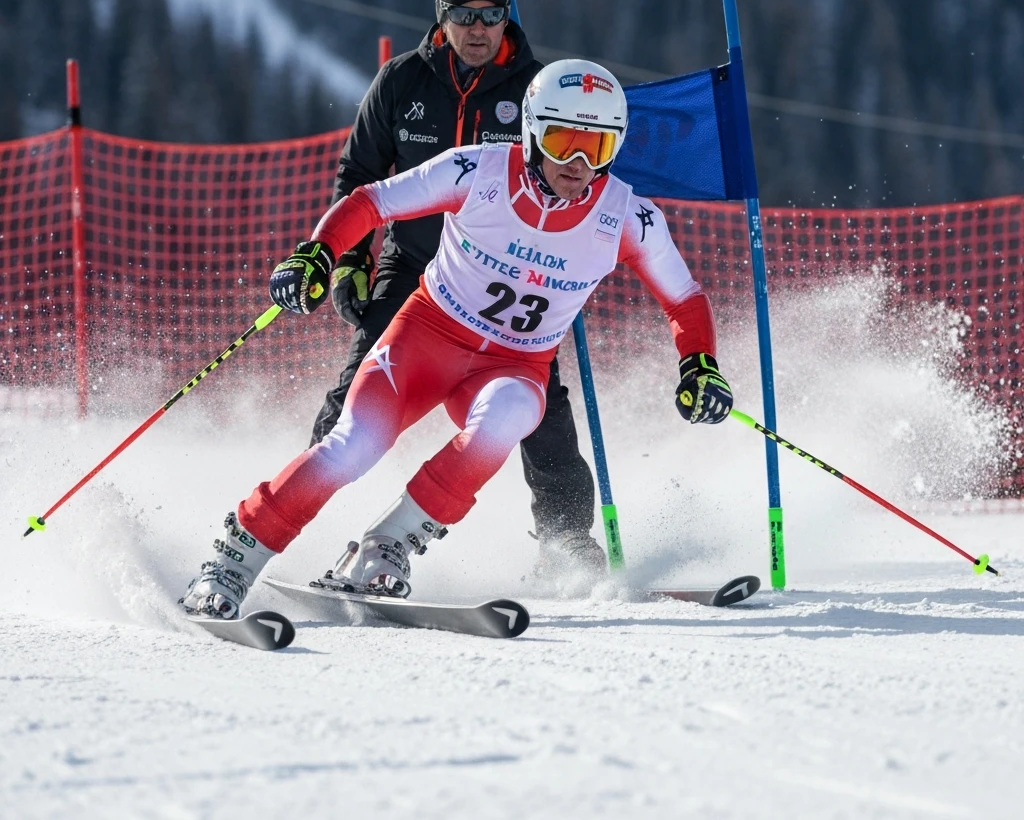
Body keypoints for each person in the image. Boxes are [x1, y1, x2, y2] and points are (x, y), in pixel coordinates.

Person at [180, 59, 733, 619]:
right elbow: (373, 201)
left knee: (511, 416)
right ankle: (232, 560)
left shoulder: (627, 217)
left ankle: (387, 545)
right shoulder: (479, 172)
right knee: (356, 445)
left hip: (514, 365)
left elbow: (683, 298)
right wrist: (320, 251)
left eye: (597, 146)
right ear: (534, 132)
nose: (577, 162)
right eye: (564, 140)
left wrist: (699, 366)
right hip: (427, 340)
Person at [311, 0, 606, 573]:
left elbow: (581, 175)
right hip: (413, 261)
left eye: (493, 15)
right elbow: (359, 175)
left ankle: (569, 541)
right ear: (441, 18)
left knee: (540, 406)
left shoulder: (536, 92)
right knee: (358, 386)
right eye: (465, 16)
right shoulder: (400, 82)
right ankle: (307, 518)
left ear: (507, 19)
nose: (480, 29)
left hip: (499, 281)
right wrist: (347, 263)